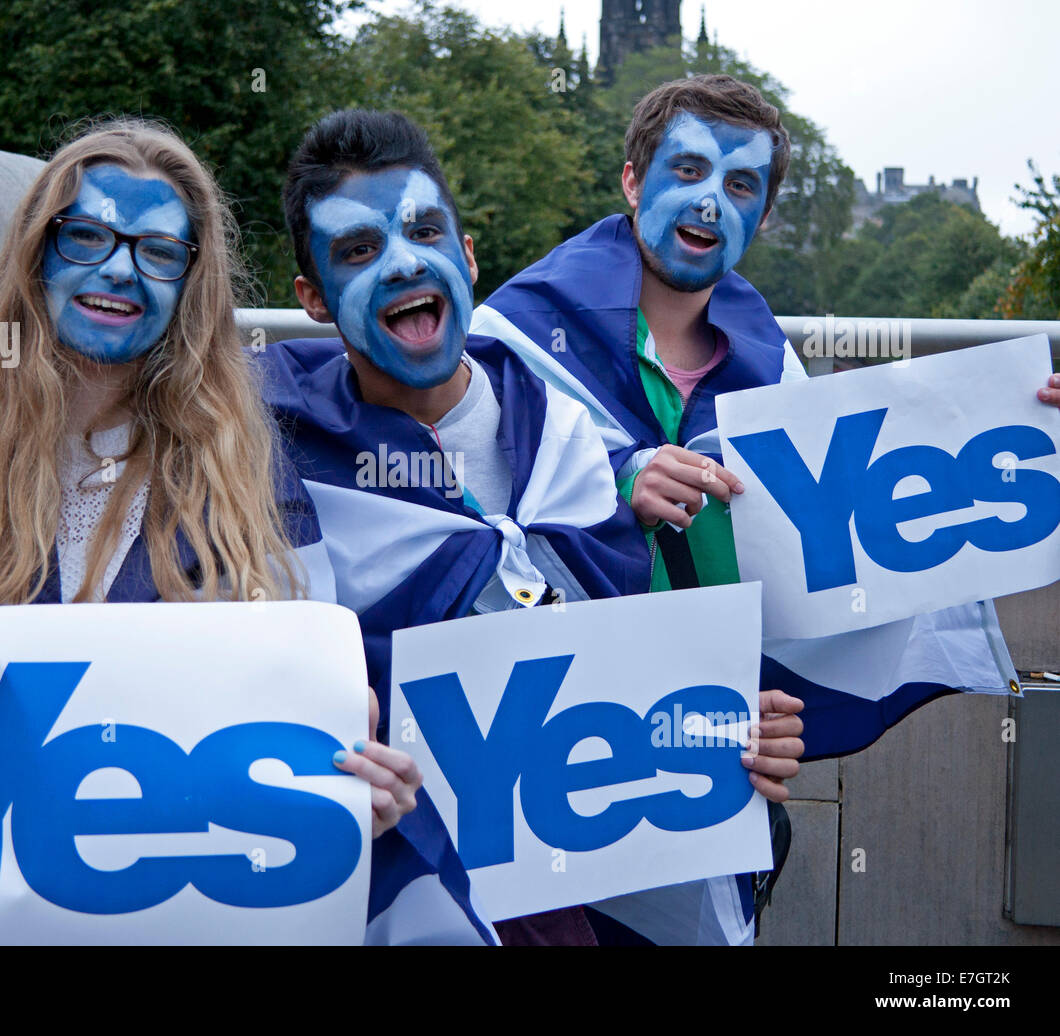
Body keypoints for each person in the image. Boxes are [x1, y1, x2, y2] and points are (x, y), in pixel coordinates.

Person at [0, 118, 439, 945]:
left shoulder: (249, 475)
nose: (121, 270)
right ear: (38, 251)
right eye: (89, 235)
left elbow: (308, 716)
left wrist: (356, 801)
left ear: (190, 284)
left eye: (159, 252)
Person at [259, 108, 803, 945]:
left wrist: (728, 726)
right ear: (313, 300)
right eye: (358, 251)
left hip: (567, 894)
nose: (405, 261)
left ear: (467, 255)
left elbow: (622, 673)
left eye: (425, 230)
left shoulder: (565, 435)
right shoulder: (273, 454)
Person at [476, 74, 1033, 766]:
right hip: (557, 732)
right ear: (631, 182)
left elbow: (870, 530)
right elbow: (459, 525)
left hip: (717, 738)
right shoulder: (516, 335)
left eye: (741, 186)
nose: (710, 199)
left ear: (763, 218)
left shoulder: (776, 366)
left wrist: (1038, 436)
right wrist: (616, 490)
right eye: (687, 170)